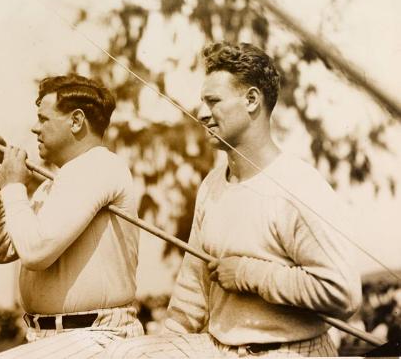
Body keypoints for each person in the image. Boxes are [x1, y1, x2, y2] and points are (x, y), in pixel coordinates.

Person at [103, 42, 362, 358]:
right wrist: (165, 346)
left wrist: (248, 274)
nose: (201, 114)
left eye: (213, 102)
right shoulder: (212, 184)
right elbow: (191, 291)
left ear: (252, 100)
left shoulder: (299, 185)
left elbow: (343, 293)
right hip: (219, 350)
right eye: (202, 102)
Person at [0, 74, 144, 358]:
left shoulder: (99, 166)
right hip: (56, 339)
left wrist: (14, 186)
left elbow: (35, 251)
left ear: (76, 121)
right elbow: (2, 248)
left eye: (44, 119)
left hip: (99, 337)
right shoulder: (53, 184)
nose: (34, 128)